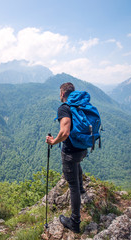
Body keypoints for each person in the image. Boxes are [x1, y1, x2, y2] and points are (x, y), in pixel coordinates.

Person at [45, 82, 87, 234]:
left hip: (71, 152)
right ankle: (82, 190)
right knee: (77, 165)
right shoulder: (80, 105)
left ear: (62, 93)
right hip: (83, 149)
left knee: (72, 186)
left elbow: (65, 132)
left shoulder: (64, 108)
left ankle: (75, 222)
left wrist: (53, 141)